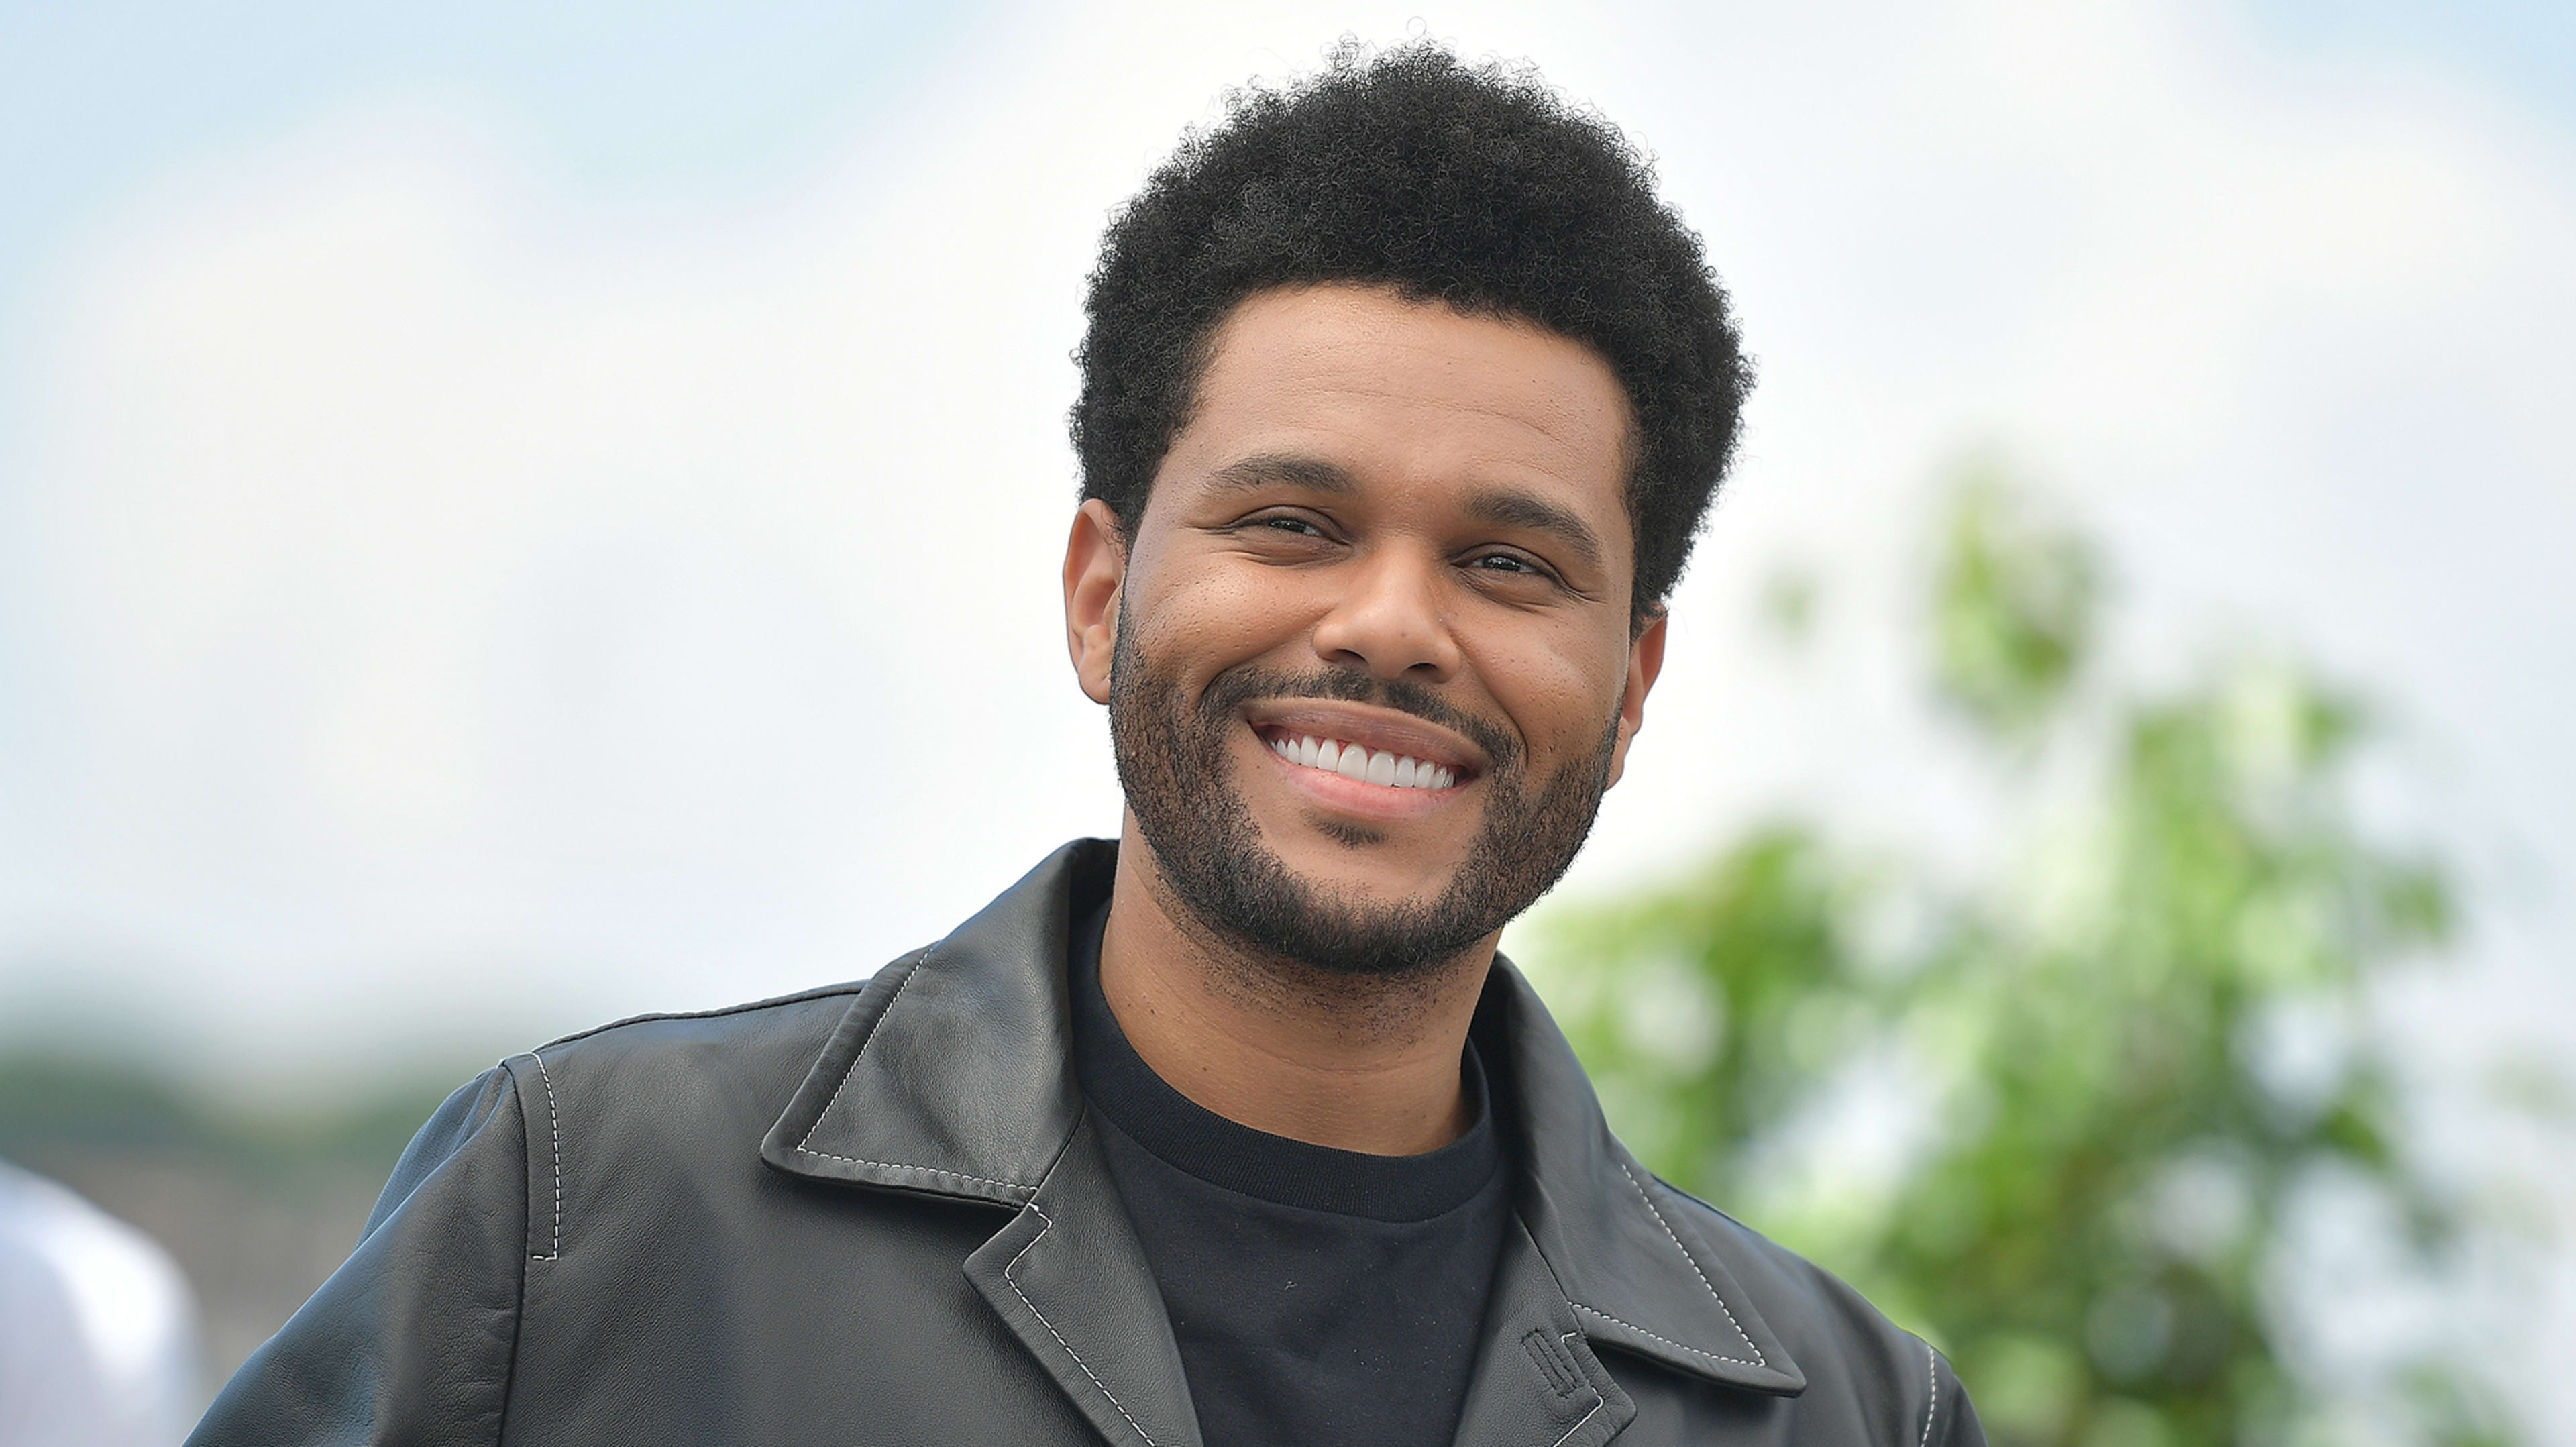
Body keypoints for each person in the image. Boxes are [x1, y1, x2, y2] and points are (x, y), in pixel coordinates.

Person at [189, 42, 1983, 1446]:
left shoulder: (1831, 1413)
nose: (1388, 624)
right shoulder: (585, 1222)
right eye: (1293, 522)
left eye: (1508, 564)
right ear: (1096, 590)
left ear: (1636, 680)